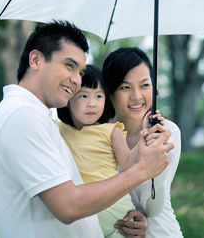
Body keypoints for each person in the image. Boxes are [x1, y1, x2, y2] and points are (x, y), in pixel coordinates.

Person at [0, 21, 174, 238]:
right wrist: (141, 170)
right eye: (69, 66)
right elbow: (68, 205)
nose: (76, 80)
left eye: (80, 71)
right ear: (36, 60)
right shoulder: (21, 116)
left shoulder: (37, 117)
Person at [56, 65, 164, 237]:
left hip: (118, 217)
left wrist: (144, 136)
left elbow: (129, 164)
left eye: (99, 96)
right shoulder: (58, 129)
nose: (92, 103)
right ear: (68, 99)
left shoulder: (112, 131)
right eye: (84, 96)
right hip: (83, 216)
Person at [102, 47, 184, 237]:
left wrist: (158, 157)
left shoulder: (168, 132)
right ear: (109, 91)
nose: (137, 96)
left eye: (145, 85)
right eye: (125, 87)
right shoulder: (100, 135)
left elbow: (152, 208)